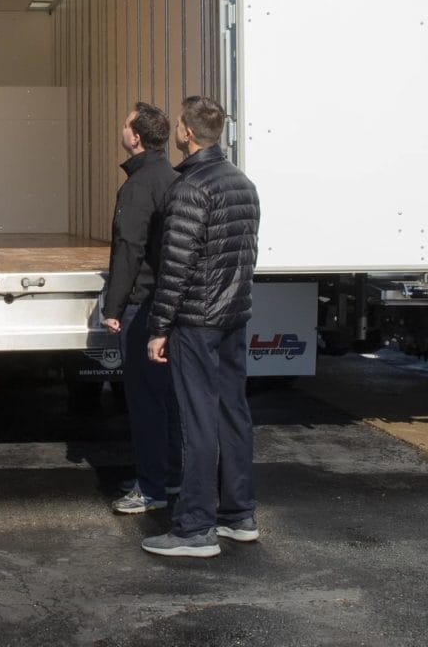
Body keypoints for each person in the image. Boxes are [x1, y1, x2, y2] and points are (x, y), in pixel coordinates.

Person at [141, 95, 261, 559]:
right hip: (233, 317)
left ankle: (194, 527)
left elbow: (176, 266)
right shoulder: (243, 183)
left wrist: (158, 327)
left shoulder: (188, 188)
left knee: (198, 421)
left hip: (196, 320)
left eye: (178, 125)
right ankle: (239, 515)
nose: (176, 130)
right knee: (233, 413)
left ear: (187, 134)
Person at [100, 103, 182, 515]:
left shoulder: (138, 186)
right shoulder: (172, 178)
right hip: (167, 303)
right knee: (166, 398)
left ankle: (151, 488)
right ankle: (171, 474)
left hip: (143, 306)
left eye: (125, 124)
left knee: (145, 401)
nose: (122, 129)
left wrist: (113, 306)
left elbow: (128, 249)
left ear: (135, 137)